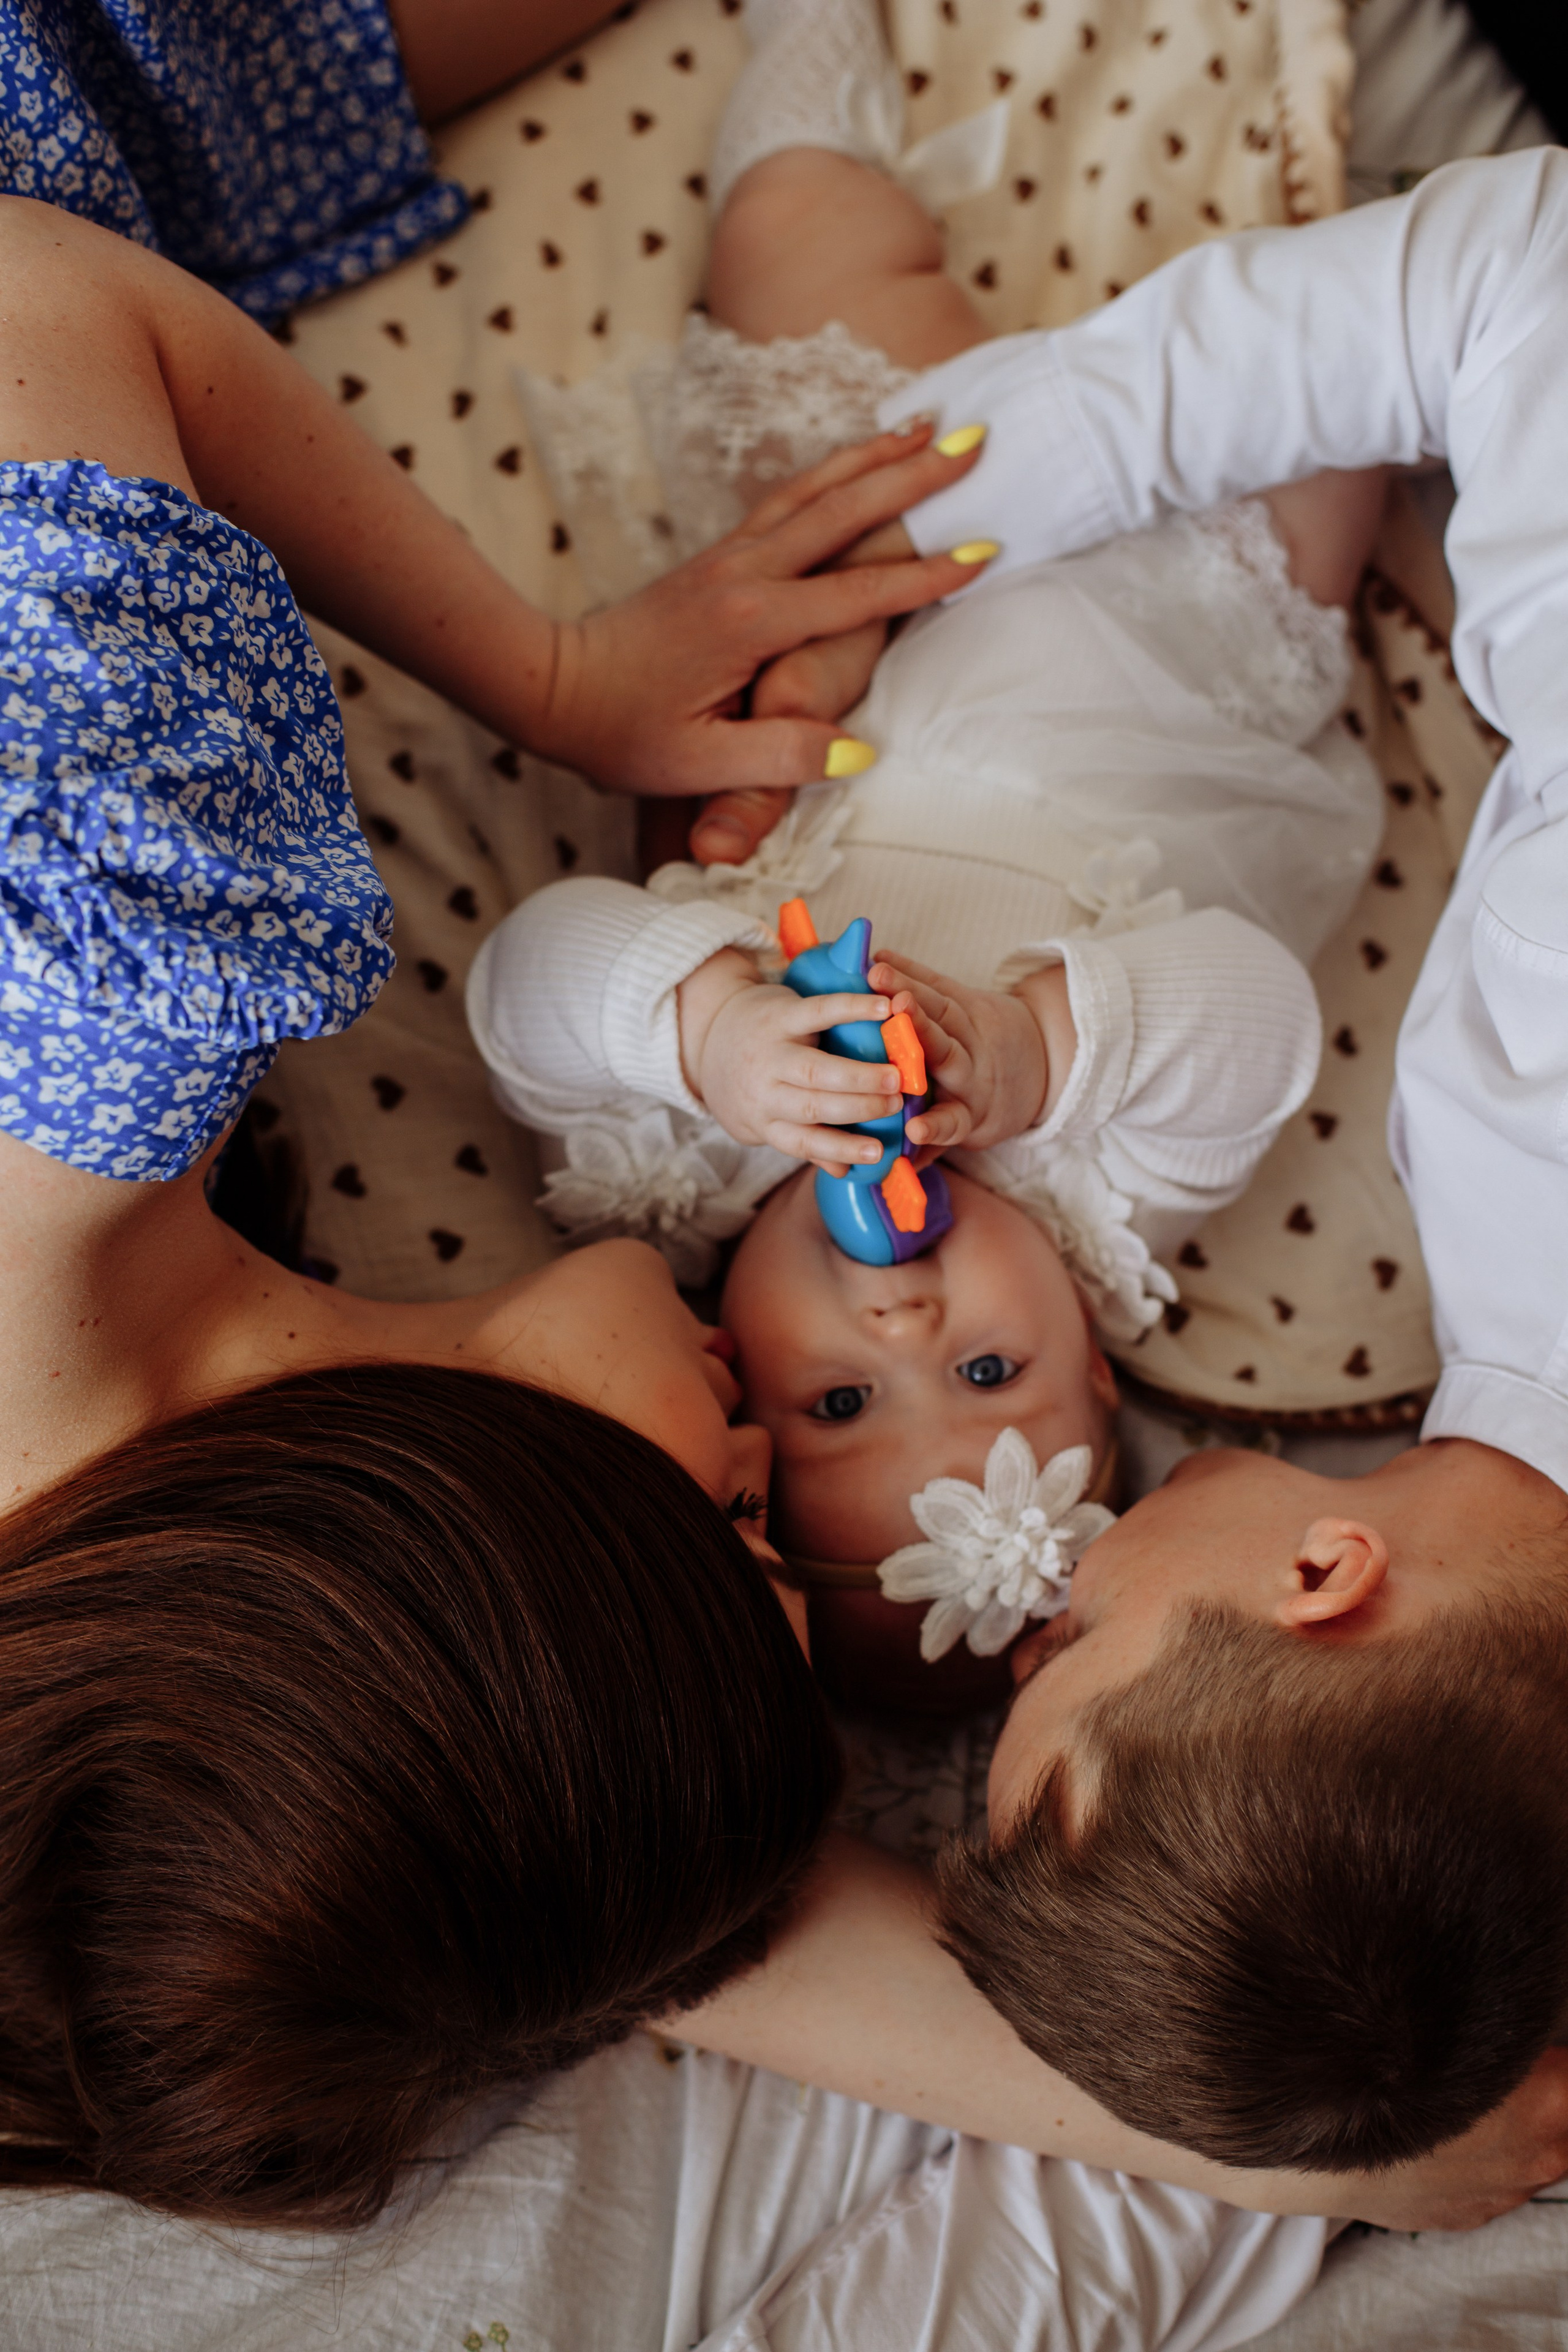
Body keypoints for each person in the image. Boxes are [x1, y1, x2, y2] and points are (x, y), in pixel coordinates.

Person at [464, 0, 1385, 1717]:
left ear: (735, 1377)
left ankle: (815, 28)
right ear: (1104, 1376)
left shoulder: (675, 1160)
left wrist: (707, 1026)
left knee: (799, 238)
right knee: (1345, 400)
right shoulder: (1112, 1198)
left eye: (839, 1409)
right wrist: (1036, 1047)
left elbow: (523, 979)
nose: (903, 1334)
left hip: (886, 546)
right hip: (1184, 632)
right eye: (988, 1366)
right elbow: (1257, 1016)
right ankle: (1350, 208)